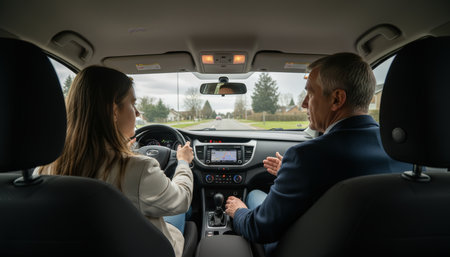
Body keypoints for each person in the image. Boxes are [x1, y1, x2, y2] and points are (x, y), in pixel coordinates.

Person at [225, 53, 412, 256]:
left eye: (310, 93)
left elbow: (259, 228)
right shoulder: (407, 155)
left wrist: (239, 211)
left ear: (337, 99)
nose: (305, 103)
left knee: (254, 195)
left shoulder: (306, 157)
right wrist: (289, 175)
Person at [35, 66, 193, 257]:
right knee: (182, 210)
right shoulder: (140, 168)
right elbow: (182, 199)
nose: (136, 113)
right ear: (114, 111)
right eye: (132, 104)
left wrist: (120, 147)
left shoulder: (44, 169)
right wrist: (183, 162)